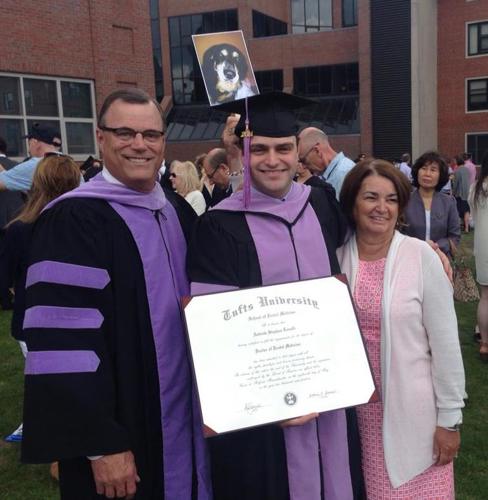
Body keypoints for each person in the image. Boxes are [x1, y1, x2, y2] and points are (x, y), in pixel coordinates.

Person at [21, 88, 211, 500]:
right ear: (100, 138)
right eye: (125, 133)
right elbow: (60, 345)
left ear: (163, 143)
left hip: (185, 419)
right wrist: (100, 443)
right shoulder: (73, 220)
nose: (139, 145)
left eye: (151, 135)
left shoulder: (176, 211)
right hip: (121, 429)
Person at [188, 92, 364, 500]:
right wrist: (269, 402)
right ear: (243, 154)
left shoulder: (319, 204)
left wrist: (417, 246)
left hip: (327, 394)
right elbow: (216, 333)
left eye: (283, 148)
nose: (272, 160)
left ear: (297, 153)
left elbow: (365, 245)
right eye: (260, 149)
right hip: (262, 416)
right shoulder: (218, 228)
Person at [337, 159, 465, 498]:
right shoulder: (335, 258)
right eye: (371, 197)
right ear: (352, 202)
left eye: (392, 199)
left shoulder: (421, 256)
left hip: (417, 415)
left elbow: (447, 344)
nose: (382, 208)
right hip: (359, 416)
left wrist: (449, 419)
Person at [0, 154, 81, 444]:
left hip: (40, 318)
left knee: (48, 379)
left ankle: (52, 432)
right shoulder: (85, 226)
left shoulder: (20, 229)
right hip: (68, 317)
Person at [403, 151, 460, 255]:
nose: (427, 174)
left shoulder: (448, 202)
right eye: (424, 168)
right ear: (417, 171)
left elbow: (454, 237)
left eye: (433, 170)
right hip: (410, 257)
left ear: (440, 175)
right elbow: (398, 234)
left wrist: (435, 247)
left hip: (440, 259)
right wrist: (420, 247)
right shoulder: (405, 201)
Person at [0, 123, 62, 192]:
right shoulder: (65, 162)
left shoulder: (37, 165)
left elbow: (2, 182)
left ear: (35, 143)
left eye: (29, 144)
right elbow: (12, 178)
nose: (29, 151)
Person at [297, 127, 355, 199]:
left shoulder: (344, 174)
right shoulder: (338, 173)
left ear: (317, 151)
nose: (303, 166)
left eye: (303, 160)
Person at [469, 151, 488, 362]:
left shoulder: (476, 188)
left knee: (485, 297)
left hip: (483, 247)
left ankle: (485, 342)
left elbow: (473, 219)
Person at [452, 155, 471, 232]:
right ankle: (466, 227)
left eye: (455, 161)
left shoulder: (457, 171)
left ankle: (462, 227)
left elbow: (456, 184)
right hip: (467, 192)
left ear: (457, 161)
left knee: (459, 210)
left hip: (459, 194)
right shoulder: (467, 170)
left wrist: (453, 192)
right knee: (466, 210)